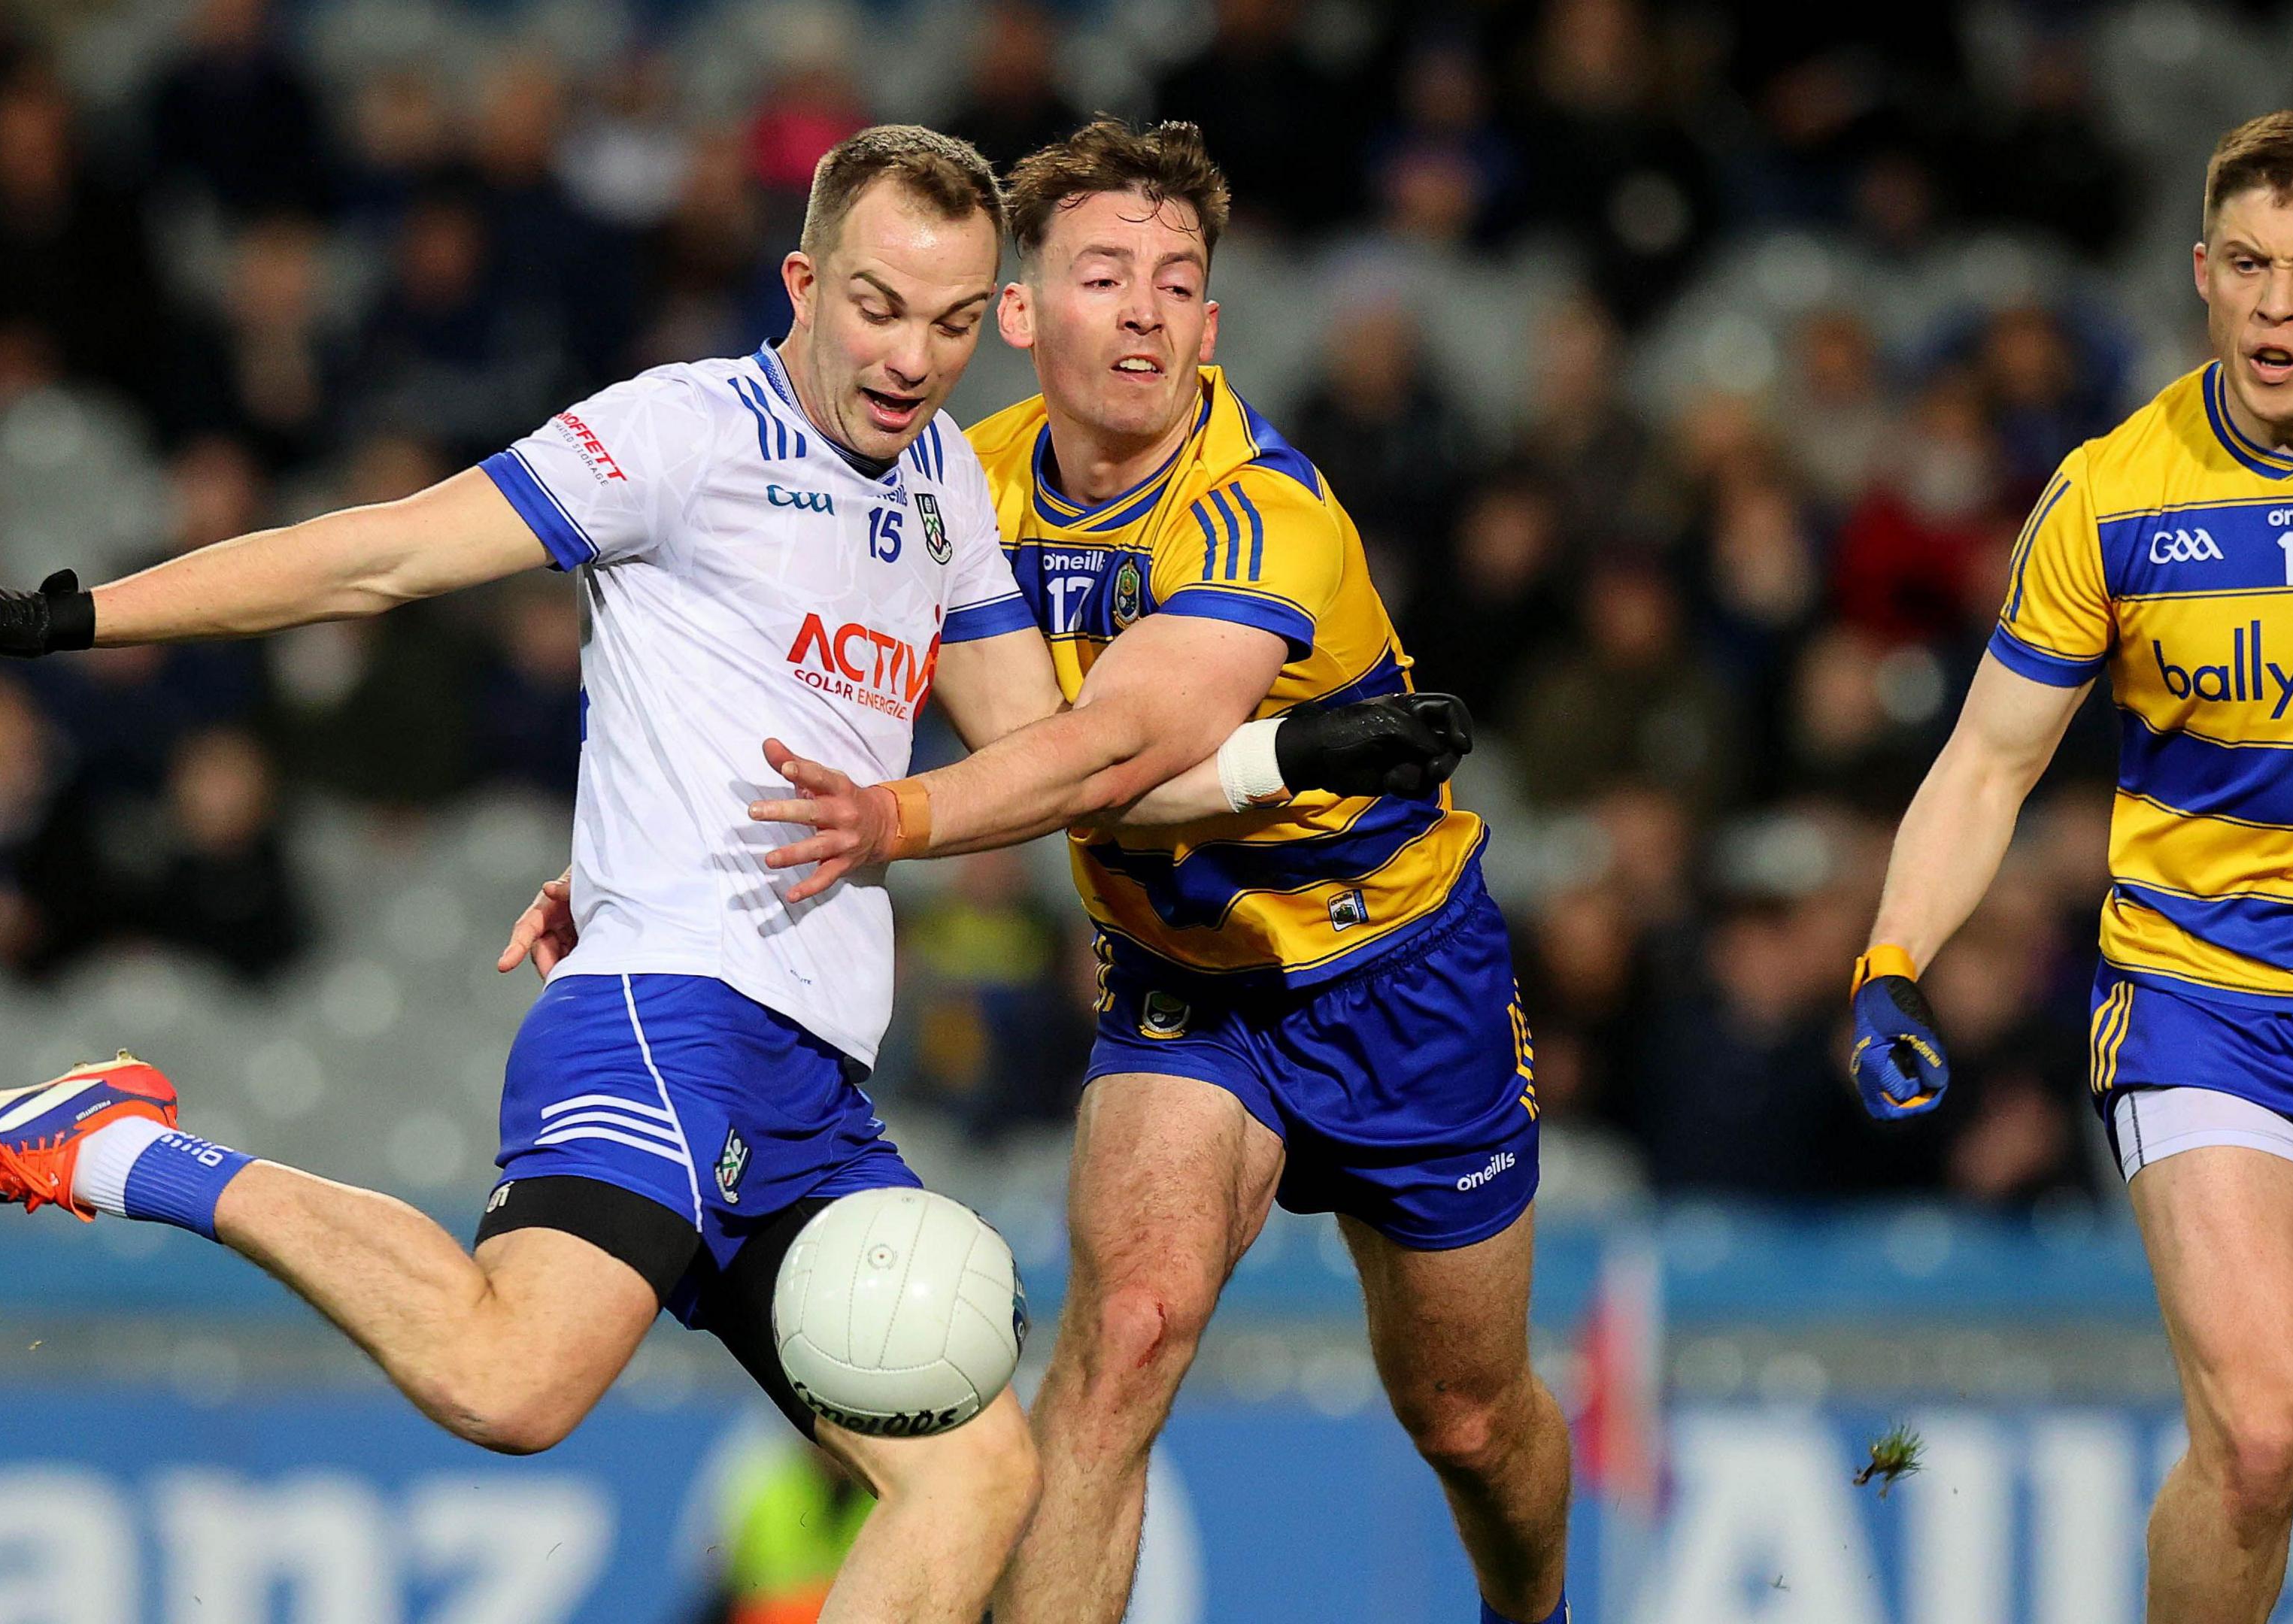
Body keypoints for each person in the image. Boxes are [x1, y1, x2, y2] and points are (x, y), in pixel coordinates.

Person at [0, 126, 1454, 1623]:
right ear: (807, 285)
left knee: (977, 1480)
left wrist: (1287, 764)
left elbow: (1057, 765)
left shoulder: (952, 491)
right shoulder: (677, 435)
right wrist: (68, 618)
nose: (912, 360)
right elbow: (381, 553)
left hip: (813, 1075)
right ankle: (113, 1149)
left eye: (957, 326)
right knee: (514, 1387)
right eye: (882, 309)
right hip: (669, 1009)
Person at [511, 118, 1564, 1624]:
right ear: (1022, 312)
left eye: (1177, 281)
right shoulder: (954, 476)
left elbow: (1117, 754)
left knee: (1465, 1418)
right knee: (1123, 1337)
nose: (1143, 308)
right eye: (1103, 273)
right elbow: (774, 671)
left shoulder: (1265, 507)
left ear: (1211, 324)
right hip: (1185, 985)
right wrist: (629, 870)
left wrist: (902, 821)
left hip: (1395, 973)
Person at [1850, 109, 2293, 1624]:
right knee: (2269, 1429)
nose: (2278, 306)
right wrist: (1891, 959)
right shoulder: (2114, 494)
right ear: (2200, 274)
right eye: (2248, 267)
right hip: (2205, 1003)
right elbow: (1987, 763)